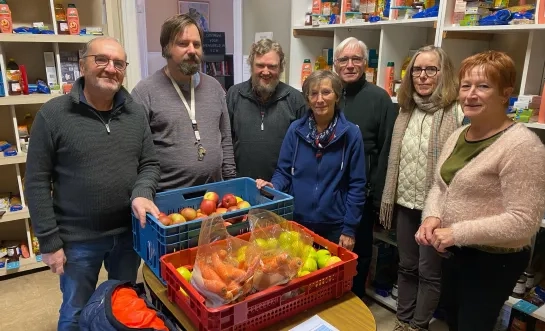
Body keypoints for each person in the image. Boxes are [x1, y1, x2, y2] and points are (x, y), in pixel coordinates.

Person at [25, 36, 161, 331]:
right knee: (75, 311)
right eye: (101, 60)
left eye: (119, 63)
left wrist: (141, 192)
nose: (111, 68)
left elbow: (149, 164)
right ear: (83, 65)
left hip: (128, 234)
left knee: (123, 303)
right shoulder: (53, 115)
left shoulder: (135, 113)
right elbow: (36, 182)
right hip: (77, 240)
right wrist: (49, 241)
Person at [416, 51, 545, 331]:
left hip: (493, 262)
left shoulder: (522, 146)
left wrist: (457, 232)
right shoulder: (459, 135)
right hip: (453, 253)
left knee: (473, 325)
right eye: (466, 86)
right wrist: (431, 217)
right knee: (450, 319)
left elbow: (525, 220)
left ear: (505, 94)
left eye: (483, 86)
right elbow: (441, 186)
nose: (471, 95)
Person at [379, 45, 465, 331]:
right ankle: (402, 321)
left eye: (431, 69)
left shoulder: (456, 112)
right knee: (406, 265)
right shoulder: (406, 110)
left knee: (429, 271)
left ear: (444, 74)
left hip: (436, 208)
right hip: (405, 201)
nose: (423, 76)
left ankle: (418, 325)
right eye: (417, 69)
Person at [256, 70, 367, 249]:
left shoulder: (351, 134)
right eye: (313, 93)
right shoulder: (295, 130)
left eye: (326, 92)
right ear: (307, 99)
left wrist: (349, 229)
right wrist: (273, 187)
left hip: (335, 226)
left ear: (337, 96)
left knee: (332, 275)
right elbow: (283, 172)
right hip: (297, 221)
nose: (319, 99)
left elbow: (357, 185)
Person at [131, 14, 236, 190]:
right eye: (183, 44)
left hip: (215, 198)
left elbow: (225, 139)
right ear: (166, 48)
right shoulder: (145, 92)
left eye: (196, 44)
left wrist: (231, 182)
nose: (192, 50)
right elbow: (136, 153)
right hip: (167, 201)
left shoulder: (214, 87)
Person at [333, 36, 397, 298]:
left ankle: (354, 302)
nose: (350, 65)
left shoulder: (380, 99)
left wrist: (378, 195)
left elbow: (386, 151)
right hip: (328, 191)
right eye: (344, 60)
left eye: (356, 59)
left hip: (361, 193)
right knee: (328, 250)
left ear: (365, 64)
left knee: (358, 253)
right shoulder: (328, 94)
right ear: (335, 64)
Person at [227, 39, 306, 181]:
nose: (266, 71)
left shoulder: (295, 99)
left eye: (272, 66)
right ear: (251, 65)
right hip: (240, 187)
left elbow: (303, 150)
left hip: (282, 189)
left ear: (281, 68)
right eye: (260, 65)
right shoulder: (234, 95)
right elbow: (225, 142)